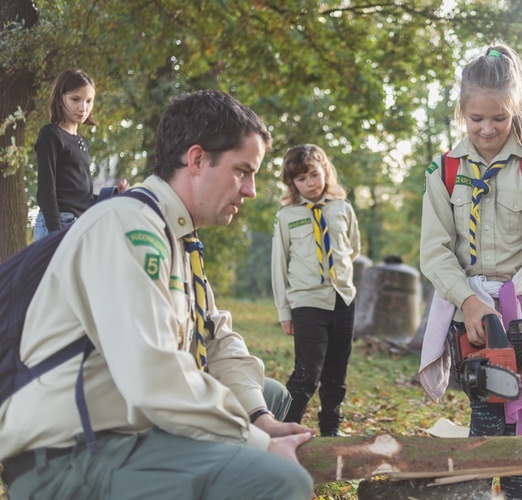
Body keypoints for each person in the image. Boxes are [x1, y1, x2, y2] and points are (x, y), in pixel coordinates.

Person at [0, 90, 314, 499]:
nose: (251, 190)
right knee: (279, 479)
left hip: (116, 436)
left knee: (271, 394)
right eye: (243, 171)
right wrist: (257, 443)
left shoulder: (176, 237)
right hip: (70, 458)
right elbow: (153, 373)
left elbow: (216, 338)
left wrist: (260, 418)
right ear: (197, 160)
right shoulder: (129, 227)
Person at [418, 44, 522, 499]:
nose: (487, 129)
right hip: (468, 310)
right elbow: (434, 249)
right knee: (488, 410)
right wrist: (467, 302)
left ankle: (514, 495)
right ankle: (477, 493)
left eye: (499, 119)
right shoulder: (443, 170)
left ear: (515, 112)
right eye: (476, 119)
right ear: (462, 112)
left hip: (521, 309)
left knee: (519, 420)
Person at [271, 144, 360, 437]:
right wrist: (285, 311)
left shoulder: (342, 208)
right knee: (307, 373)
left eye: (314, 175)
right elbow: (279, 264)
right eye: (301, 179)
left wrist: (341, 278)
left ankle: (330, 431)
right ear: (292, 183)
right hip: (307, 302)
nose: (310, 183)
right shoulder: (287, 215)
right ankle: (282, 428)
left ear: (325, 172)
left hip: (343, 298)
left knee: (336, 375)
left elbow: (353, 249)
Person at [33, 69, 99, 241]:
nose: (83, 108)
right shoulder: (50, 135)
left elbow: (83, 195)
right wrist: (55, 234)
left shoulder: (82, 142)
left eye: (89, 101)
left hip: (81, 224)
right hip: (57, 223)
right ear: (60, 98)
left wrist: (114, 195)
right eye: (75, 99)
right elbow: (46, 191)